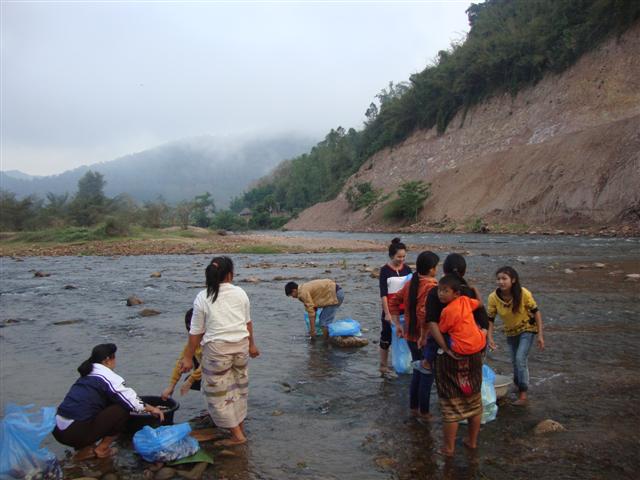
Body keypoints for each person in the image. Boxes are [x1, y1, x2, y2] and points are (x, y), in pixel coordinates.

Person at [180, 256, 259, 446]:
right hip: (240, 346)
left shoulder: (202, 296)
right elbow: (247, 322)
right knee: (239, 386)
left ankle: (237, 435)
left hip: (218, 351)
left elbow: (196, 331)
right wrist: (252, 345)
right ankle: (238, 424)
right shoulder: (240, 292)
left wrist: (188, 357)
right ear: (230, 274)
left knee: (216, 393)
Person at [53, 343, 164, 460]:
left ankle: (83, 446)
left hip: (58, 431)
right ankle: (102, 449)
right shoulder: (107, 376)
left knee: (104, 403)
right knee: (122, 408)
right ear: (107, 360)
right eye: (114, 357)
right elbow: (131, 401)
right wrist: (152, 409)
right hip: (74, 432)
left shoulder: (86, 374)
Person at [426, 254, 489, 457]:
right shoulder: (468, 293)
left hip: (448, 357)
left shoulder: (436, 293)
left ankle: (449, 448)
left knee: (451, 403)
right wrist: (479, 342)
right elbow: (484, 320)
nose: (442, 293)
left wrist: (446, 348)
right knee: (474, 398)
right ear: (463, 271)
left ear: (444, 272)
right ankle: (472, 442)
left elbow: (433, 325)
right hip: (473, 354)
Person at [389, 250, 439, 418]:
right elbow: (424, 314)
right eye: (436, 267)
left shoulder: (412, 282)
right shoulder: (432, 286)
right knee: (426, 373)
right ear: (432, 269)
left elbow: (394, 301)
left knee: (418, 370)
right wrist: (424, 336)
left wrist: (397, 324)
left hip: (410, 335)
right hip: (423, 338)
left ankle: (414, 408)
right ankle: (424, 412)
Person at [487, 266, 545, 406]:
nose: (501, 282)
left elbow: (537, 313)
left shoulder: (524, 293)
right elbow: (490, 319)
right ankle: (518, 385)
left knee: (520, 359)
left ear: (513, 280)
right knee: (514, 361)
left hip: (527, 329)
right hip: (511, 332)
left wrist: (540, 335)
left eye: (504, 279)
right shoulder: (493, 298)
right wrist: (490, 338)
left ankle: (523, 394)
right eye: (499, 279)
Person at [379, 237, 412, 378]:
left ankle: (405, 363)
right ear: (392, 255)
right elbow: (384, 294)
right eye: (399, 256)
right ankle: (383, 365)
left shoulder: (407, 269)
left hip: (405, 310)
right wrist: (387, 313)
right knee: (386, 337)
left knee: (406, 337)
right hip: (391, 310)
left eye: (404, 256)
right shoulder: (385, 271)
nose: (401, 259)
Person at [161, 308, 203, 400]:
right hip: (210, 373)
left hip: (226, 373)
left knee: (192, 379)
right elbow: (181, 362)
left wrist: (190, 381)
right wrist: (171, 386)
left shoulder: (213, 340)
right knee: (192, 379)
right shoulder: (193, 343)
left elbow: (209, 364)